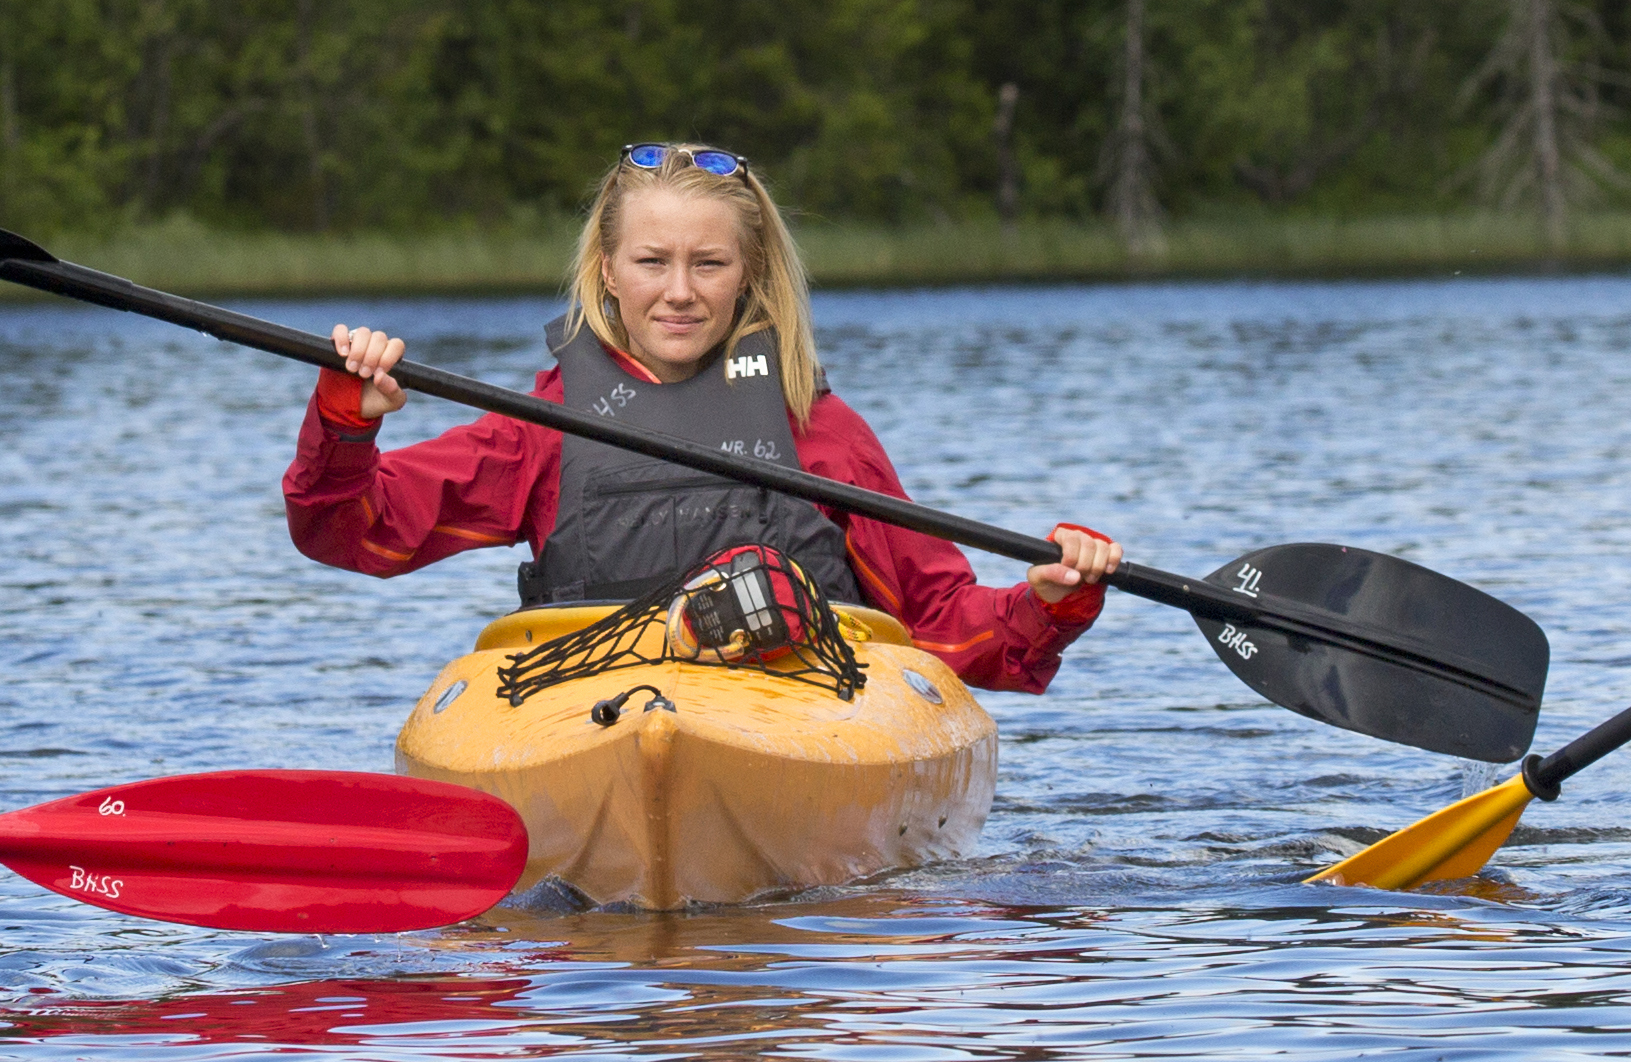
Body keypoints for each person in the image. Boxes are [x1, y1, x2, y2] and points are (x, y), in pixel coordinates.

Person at [287, 142, 1128, 687]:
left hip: (798, 714)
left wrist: (1046, 599)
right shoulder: (539, 431)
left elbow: (946, 626)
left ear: (750, 273)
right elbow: (347, 530)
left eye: (709, 263)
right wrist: (347, 422)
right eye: (652, 261)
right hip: (602, 715)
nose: (680, 291)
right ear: (609, 272)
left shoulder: (820, 433)